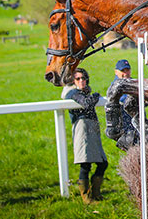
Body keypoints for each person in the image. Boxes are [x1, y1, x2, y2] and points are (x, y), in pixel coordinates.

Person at [61, 68, 107, 204]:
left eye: (83, 78)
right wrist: (96, 95)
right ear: (73, 81)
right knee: (85, 164)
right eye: (78, 79)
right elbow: (86, 104)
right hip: (82, 128)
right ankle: (86, 197)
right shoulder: (72, 93)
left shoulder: (83, 92)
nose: (82, 81)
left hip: (91, 128)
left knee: (103, 163)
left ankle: (96, 192)